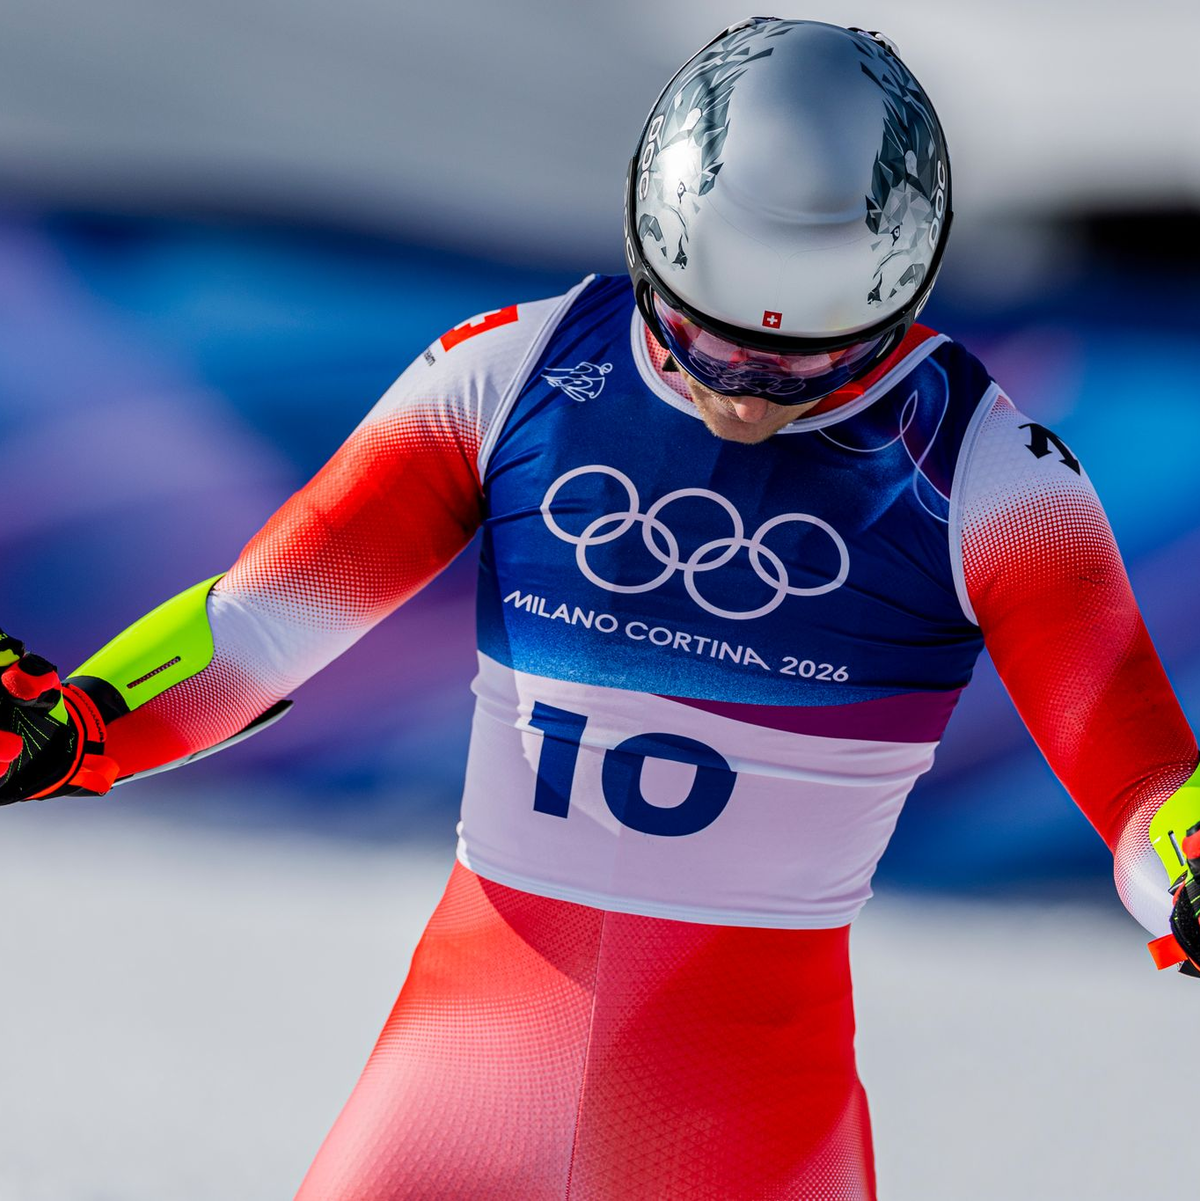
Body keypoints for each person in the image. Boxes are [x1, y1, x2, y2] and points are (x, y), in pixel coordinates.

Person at [1, 18, 1197, 1200]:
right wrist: (83, 719)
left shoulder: (992, 474)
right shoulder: (510, 371)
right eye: (704, 340)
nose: (743, 395)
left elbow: (1139, 775)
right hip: (471, 1064)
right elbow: (258, 627)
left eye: (804, 364)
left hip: (742, 1111)